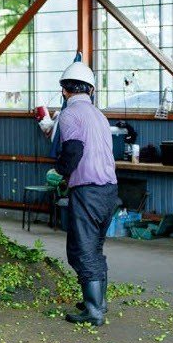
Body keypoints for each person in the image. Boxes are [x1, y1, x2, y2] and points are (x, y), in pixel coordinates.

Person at [54, 62, 120, 326]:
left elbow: (73, 150)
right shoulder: (98, 115)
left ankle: (93, 311)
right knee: (96, 247)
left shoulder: (70, 115)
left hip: (88, 190)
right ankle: (98, 301)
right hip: (109, 190)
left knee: (81, 250)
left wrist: (60, 171)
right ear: (90, 89)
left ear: (64, 90)